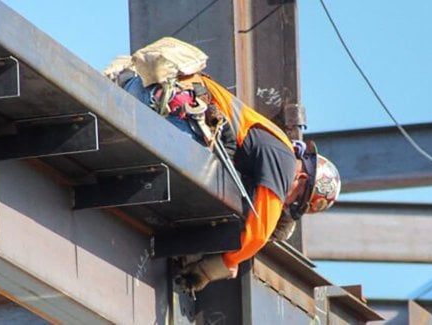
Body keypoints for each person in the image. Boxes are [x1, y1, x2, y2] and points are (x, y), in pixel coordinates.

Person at [105, 38, 341, 292]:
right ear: (301, 180)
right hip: (169, 113)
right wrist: (218, 265)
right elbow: (261, 229)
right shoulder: (282, 159)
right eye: (294, 200)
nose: (286, 202)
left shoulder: (266, 148)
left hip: (145, 95)